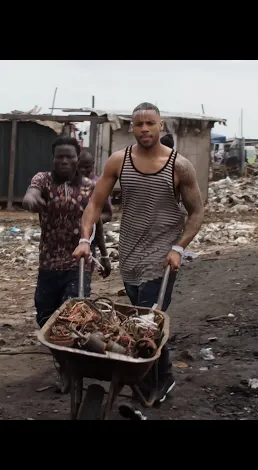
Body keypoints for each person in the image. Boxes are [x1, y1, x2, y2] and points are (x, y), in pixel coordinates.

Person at [72, 102, 204, 405]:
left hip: (162, 255)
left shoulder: (179, 166)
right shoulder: (119, 161)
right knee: (144, 320)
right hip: (130, 253)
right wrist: (84, 239)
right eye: (139, 124)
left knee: (147, 319)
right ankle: (159, 376)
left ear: (161, 126)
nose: (145, 129)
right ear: (132, 127)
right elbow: (94, 204)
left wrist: (178, 248)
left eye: (150, 123)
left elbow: (197, 212)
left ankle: (150, 383)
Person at [23, 136, 111, 331]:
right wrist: (30, 200)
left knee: (74, 310)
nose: (64, 161)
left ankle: (70, 344)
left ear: (77, 158)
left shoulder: (90, 187)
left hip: (79, 261)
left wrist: (104, 256)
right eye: (59, 157)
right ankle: (57, 339)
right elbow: (31, 193)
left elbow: (99, 220)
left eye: (69, 157)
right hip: (49, 260)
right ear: (53, 158)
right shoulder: (43, 180)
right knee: (44, 314)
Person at [77, 149, 113, 224]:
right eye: (79, 167)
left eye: (87, 167)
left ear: (93, 164)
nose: (82, 170)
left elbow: (108, 215)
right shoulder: (69, 183)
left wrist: (90, 221)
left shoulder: (99, 185)